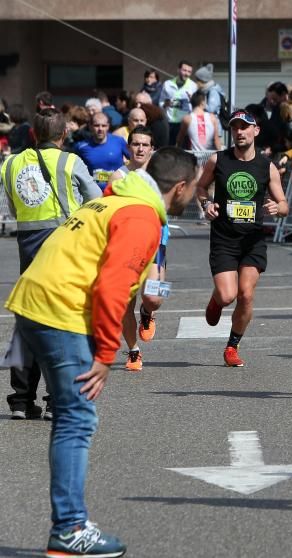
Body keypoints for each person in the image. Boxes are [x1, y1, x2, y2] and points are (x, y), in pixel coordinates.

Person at [5, 147, 198, 558]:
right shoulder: (140, 216)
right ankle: (70, 529)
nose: (195, 196)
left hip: (37, 301)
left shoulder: (115, 199)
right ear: (180, 187)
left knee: (71, 414)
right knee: (77, 417)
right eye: (194, 188)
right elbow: (112, 288)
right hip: (59, 310)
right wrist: (107, 355)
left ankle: (69, 525)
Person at [2, 109, 103, 421]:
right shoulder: (70, 161)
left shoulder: (11, 163)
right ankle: (56, 400)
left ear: (33, 134)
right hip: (63, 249)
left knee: (27, 322)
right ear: (63, 135)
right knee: (62, 324)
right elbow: (96, 199)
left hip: (28, 250)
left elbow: (11, 202)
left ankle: (20, 399)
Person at [195, 110, 290, 367]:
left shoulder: (267, 167)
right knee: (228, 296)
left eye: (245, 127)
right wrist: (207, 204)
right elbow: (201, 187)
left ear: (255, 131)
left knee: (246, 294)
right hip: (224, 237)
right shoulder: (218, 160)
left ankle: (232, 346)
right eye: (235, 127)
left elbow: (283, 204)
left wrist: (277, 208)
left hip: (252, 240)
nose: (239, 132)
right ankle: (216, 300)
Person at [107, 126, 165, 372]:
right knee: (124, 303)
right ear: (129, 147)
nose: (140, 148)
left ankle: (148, 312)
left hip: (157, 242)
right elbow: (109, 210)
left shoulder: (161, 175)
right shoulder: (118, 176)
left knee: (155, 297)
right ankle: (133, 351)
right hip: (127, 245)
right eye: (136, 144)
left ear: (152, 148)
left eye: (145, 144)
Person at [74, 113, 131, 190]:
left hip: (118, 190)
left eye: (103, 126)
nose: (100, 129)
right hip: (94, 194)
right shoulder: (81, 147)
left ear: (108, 126)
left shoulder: (119, 141)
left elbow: (134, 160)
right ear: (90, 126)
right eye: (96, 125)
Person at [160, 60, 198, 145]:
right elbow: (160, 102)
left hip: (183, 123)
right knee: (168, 149)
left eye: (189, 71)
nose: (186, 73)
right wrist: (165, 104)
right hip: (169, 122)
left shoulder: (193, 86)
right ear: (178, 70)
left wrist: (192, 100)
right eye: (184, 70)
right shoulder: (167, 84)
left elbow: (196, 106)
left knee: (182, 150)